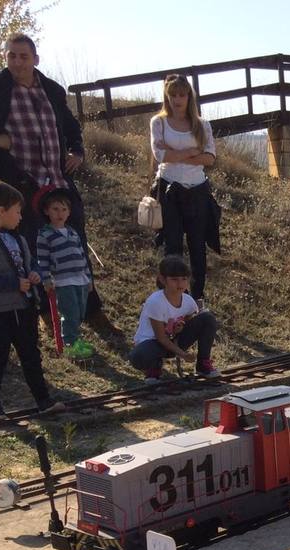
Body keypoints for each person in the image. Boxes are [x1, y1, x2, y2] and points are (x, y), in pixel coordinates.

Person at [0, 32, 115, 334]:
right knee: (33, 251)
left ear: (35, 59)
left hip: (57, 181)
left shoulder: (51, 88)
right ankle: (47, 316)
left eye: (23, 56)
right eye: (11, 55)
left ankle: (92, 310)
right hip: (19, 183)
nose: (17, 62)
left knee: (75, 243)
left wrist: (77, 150)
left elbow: (71, 124)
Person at [0, 178, 63, 419]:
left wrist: (33, 273)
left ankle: (43, 400)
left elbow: (27, 263)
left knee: (30, 353)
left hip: (22, 305)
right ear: (1, 211)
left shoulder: (16, 237)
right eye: (17, 211)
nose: (20, 216)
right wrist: (12, 284)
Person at [150, 74, 219, 303]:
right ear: (166, 97)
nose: (177, 100)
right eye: (173, 95)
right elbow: (160, 155)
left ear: (189, 96)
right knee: (172, 245)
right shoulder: (158, 122)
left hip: (197, 189)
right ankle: (171, 297)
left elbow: (210, 158)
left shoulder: (202, 125)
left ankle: (197, 297)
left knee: (198, 245)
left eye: (182, 94)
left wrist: (178, 154)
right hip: (169, 188)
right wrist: (193, 153)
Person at [129, 255, 219, 384]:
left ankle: (203, 364)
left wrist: (181, 326)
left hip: (174, 342)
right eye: (175, 279)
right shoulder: (155, 301)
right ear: (162, 279)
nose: (180, 284)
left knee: (207, 318)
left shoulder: (188, 301)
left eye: (184, 279)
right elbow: (161, 338)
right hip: (153, 344)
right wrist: (183, 354)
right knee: (139, 356)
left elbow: (188, 322)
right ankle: (153, 367)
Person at [35, 186, 93, 357]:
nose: (60, 213)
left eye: (64, 209)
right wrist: (46, 279)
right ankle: (70, 345)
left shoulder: (73, 232)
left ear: (68, 212)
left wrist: (88, 278)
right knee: (70, 313)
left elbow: (82, 255)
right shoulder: (45, 234)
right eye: (55, 209)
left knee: (81, 312)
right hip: (63, 280)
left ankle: (75, 339)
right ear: (47, 211)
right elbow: (43, 260)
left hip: (80, 279)